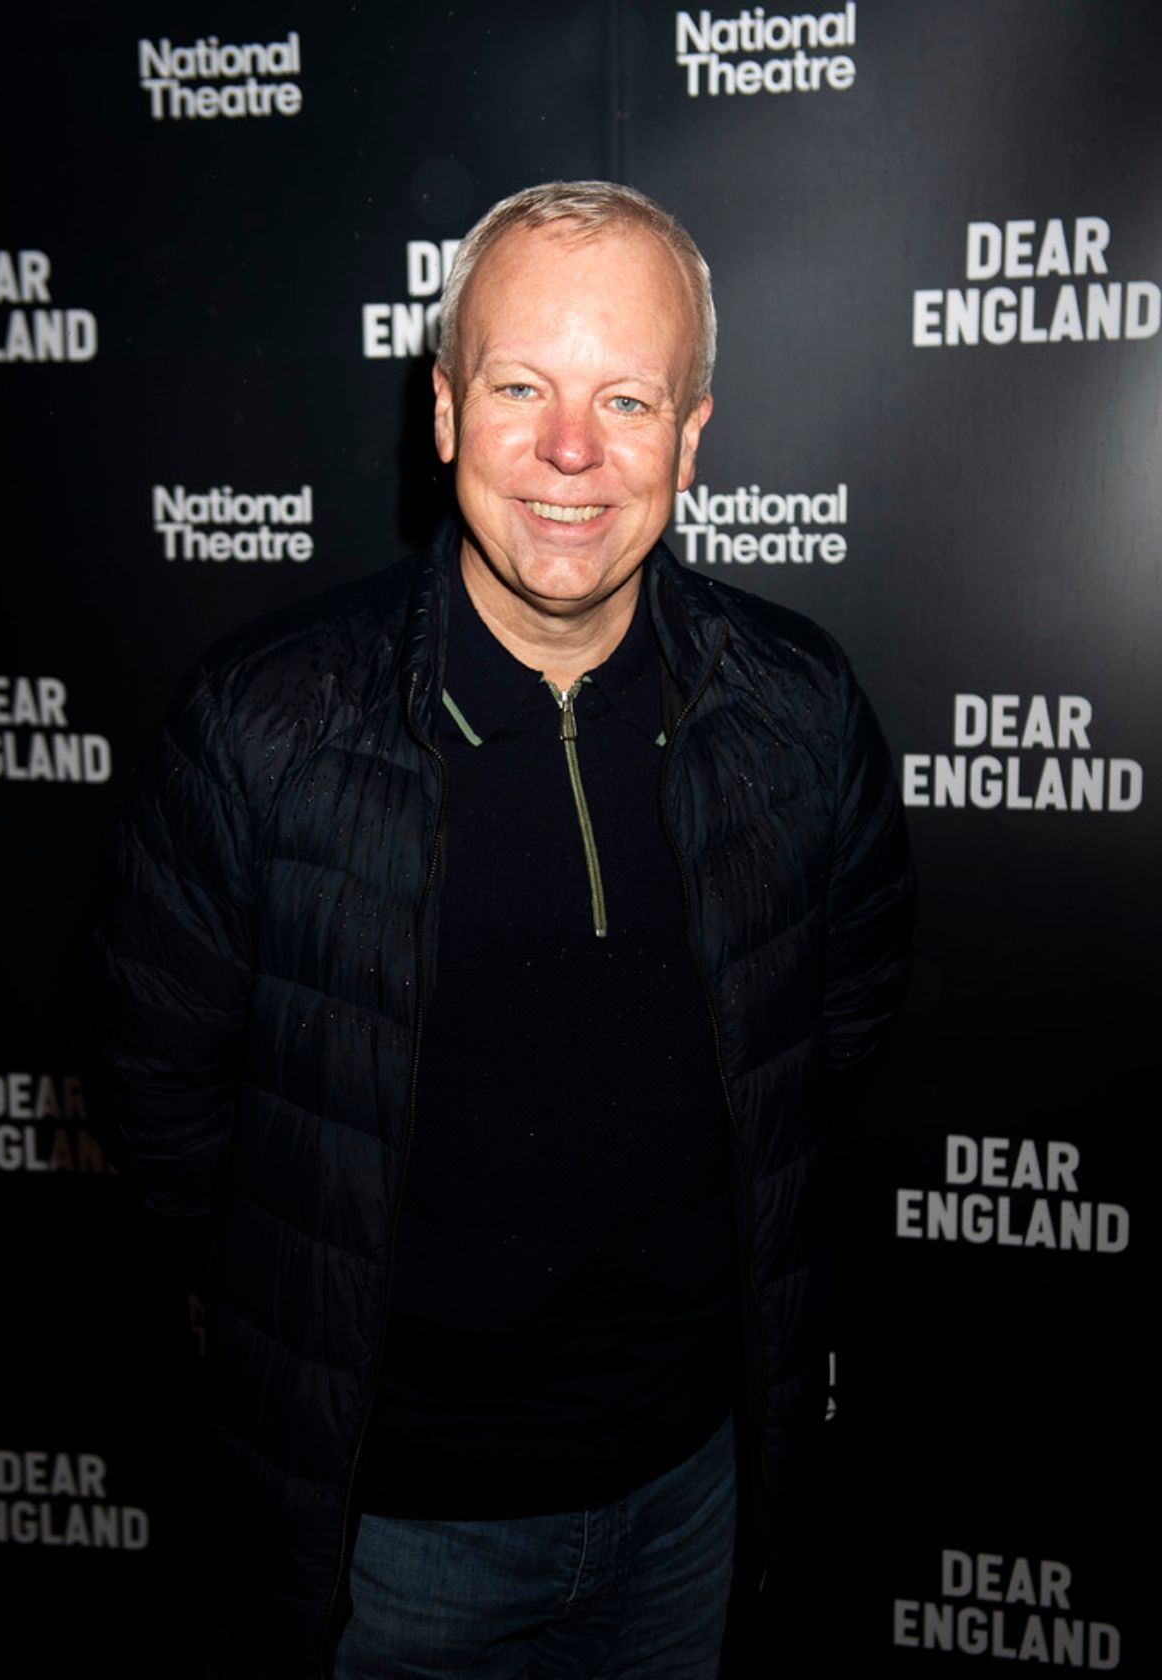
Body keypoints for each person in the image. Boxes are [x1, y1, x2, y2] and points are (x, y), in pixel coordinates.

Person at [84, 181, 914, 1679]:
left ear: (695, 434)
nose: (573, 452)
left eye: (627, 398)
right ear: (448, 410)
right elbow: (163, 1115)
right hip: (386, 1533)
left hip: (695, 1496)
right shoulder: (261, 729)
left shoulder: (799, 712)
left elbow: (834, 1033)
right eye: (522, 386)